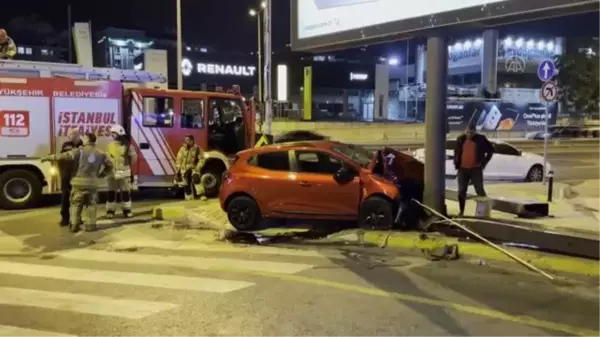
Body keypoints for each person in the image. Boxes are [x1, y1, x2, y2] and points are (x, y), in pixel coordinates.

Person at [42, 133, 112, 232]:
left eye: (84, 138)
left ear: (87, 140)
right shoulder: (101, 153)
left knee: (76, 203)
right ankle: (90, 225)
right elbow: (110, 165)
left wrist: (47, 158)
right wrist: (102, 174)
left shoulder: (80, 151)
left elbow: (64, 156)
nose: (82, 139)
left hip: (78, 183)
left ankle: (74, 225)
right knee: (91, 204)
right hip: (92, 183)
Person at [453, 125, 494, 216]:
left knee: (479, 190)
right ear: (465, 132)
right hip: (463, 169)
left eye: (471, 133)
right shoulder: (460, 139)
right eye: (467, 132)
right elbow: (457, 151)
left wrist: (484, 162)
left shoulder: (481, 139)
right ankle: (461, 211)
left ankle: (483, 212)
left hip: (476, 169)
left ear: (475, 132)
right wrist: (456, 163)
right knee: (461, 191)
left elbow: (491, 150)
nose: (469, 135)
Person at [105, 124, 137, 218]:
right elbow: (107, 157)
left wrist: (125, 165)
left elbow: (133, 158)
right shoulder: (110, 145)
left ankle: (127, 210)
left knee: (125, 193)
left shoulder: (128, 145)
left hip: (124, 172)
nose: (112, 135)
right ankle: (110, 211)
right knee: (111, 192)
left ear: (119, 133)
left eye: (113, 133)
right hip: (112, 173)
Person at [58, 128, 84, 226]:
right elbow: (62, 158)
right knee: (65, 197)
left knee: (78, 199)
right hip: (66, 176)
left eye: (73, 134)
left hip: (78, 176)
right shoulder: (66, 145)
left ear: (78, 135)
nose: (71, 136)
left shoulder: (83, 146)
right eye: (70, 134)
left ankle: (77, 218)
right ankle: (65, 218)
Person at [175, 135, 206, 201]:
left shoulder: (197, 148)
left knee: (196, 178)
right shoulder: (182, 149)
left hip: (194, 168)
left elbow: (202, 159)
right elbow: (179, 159)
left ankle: (202, 195)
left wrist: (198, 167)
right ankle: (189, 197)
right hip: (184, 169)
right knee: (186, 183)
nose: (186, 141)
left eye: (187, 140)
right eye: (185, 140)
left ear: (192, 141)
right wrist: (179, 169)